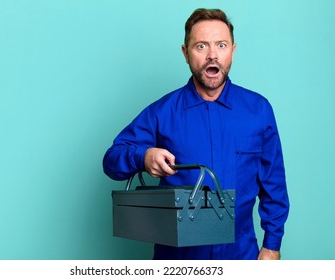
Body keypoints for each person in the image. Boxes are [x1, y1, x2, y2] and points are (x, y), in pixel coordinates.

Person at [103, 8, 289, 260]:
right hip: (177, 259)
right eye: (201, 46)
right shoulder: (162, 112)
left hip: (241, 256)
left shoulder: (259, 110)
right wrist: (143, 157)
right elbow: (111, 160)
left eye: (221, 45)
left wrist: (272, 245)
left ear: (233, 50)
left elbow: (274, 184)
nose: (212, 55)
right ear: (185, 53)